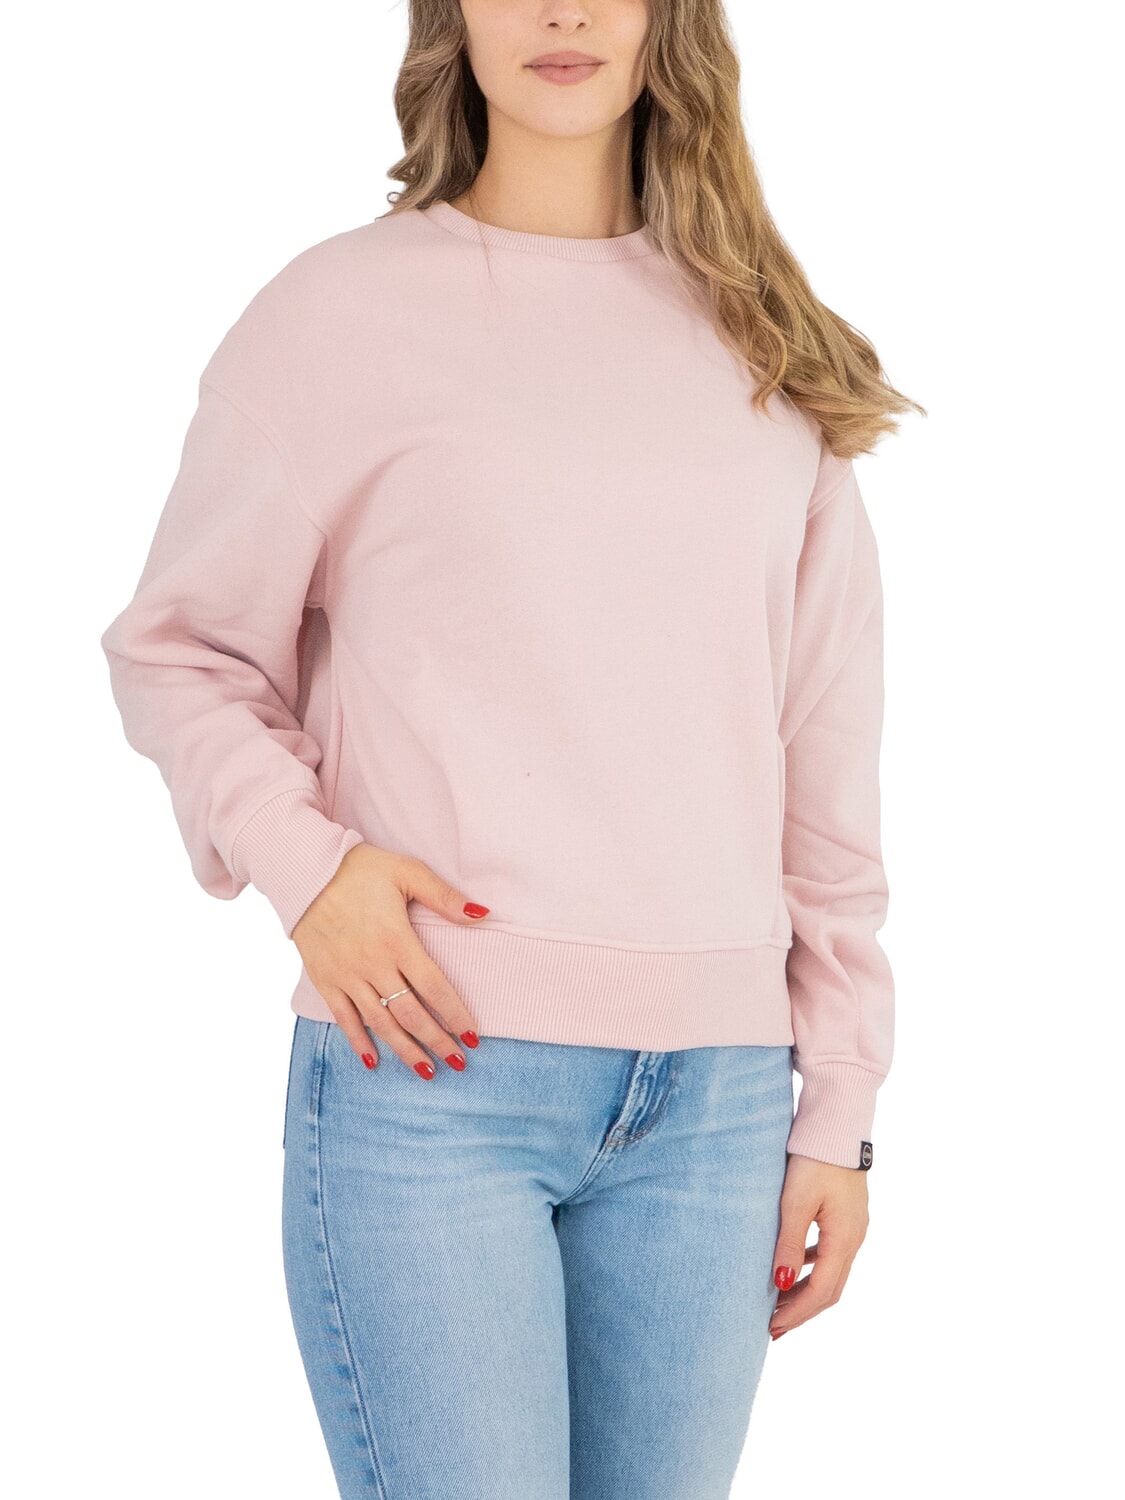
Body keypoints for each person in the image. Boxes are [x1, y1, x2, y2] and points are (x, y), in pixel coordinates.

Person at [100, 2, 923, 1495]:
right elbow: (179, 645)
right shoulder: (337, 316)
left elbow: (823, 757)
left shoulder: (764, 339)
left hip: (721, 1110)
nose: (561, 9)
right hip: (432, 1081)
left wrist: (842, 1107)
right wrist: (309, 867)